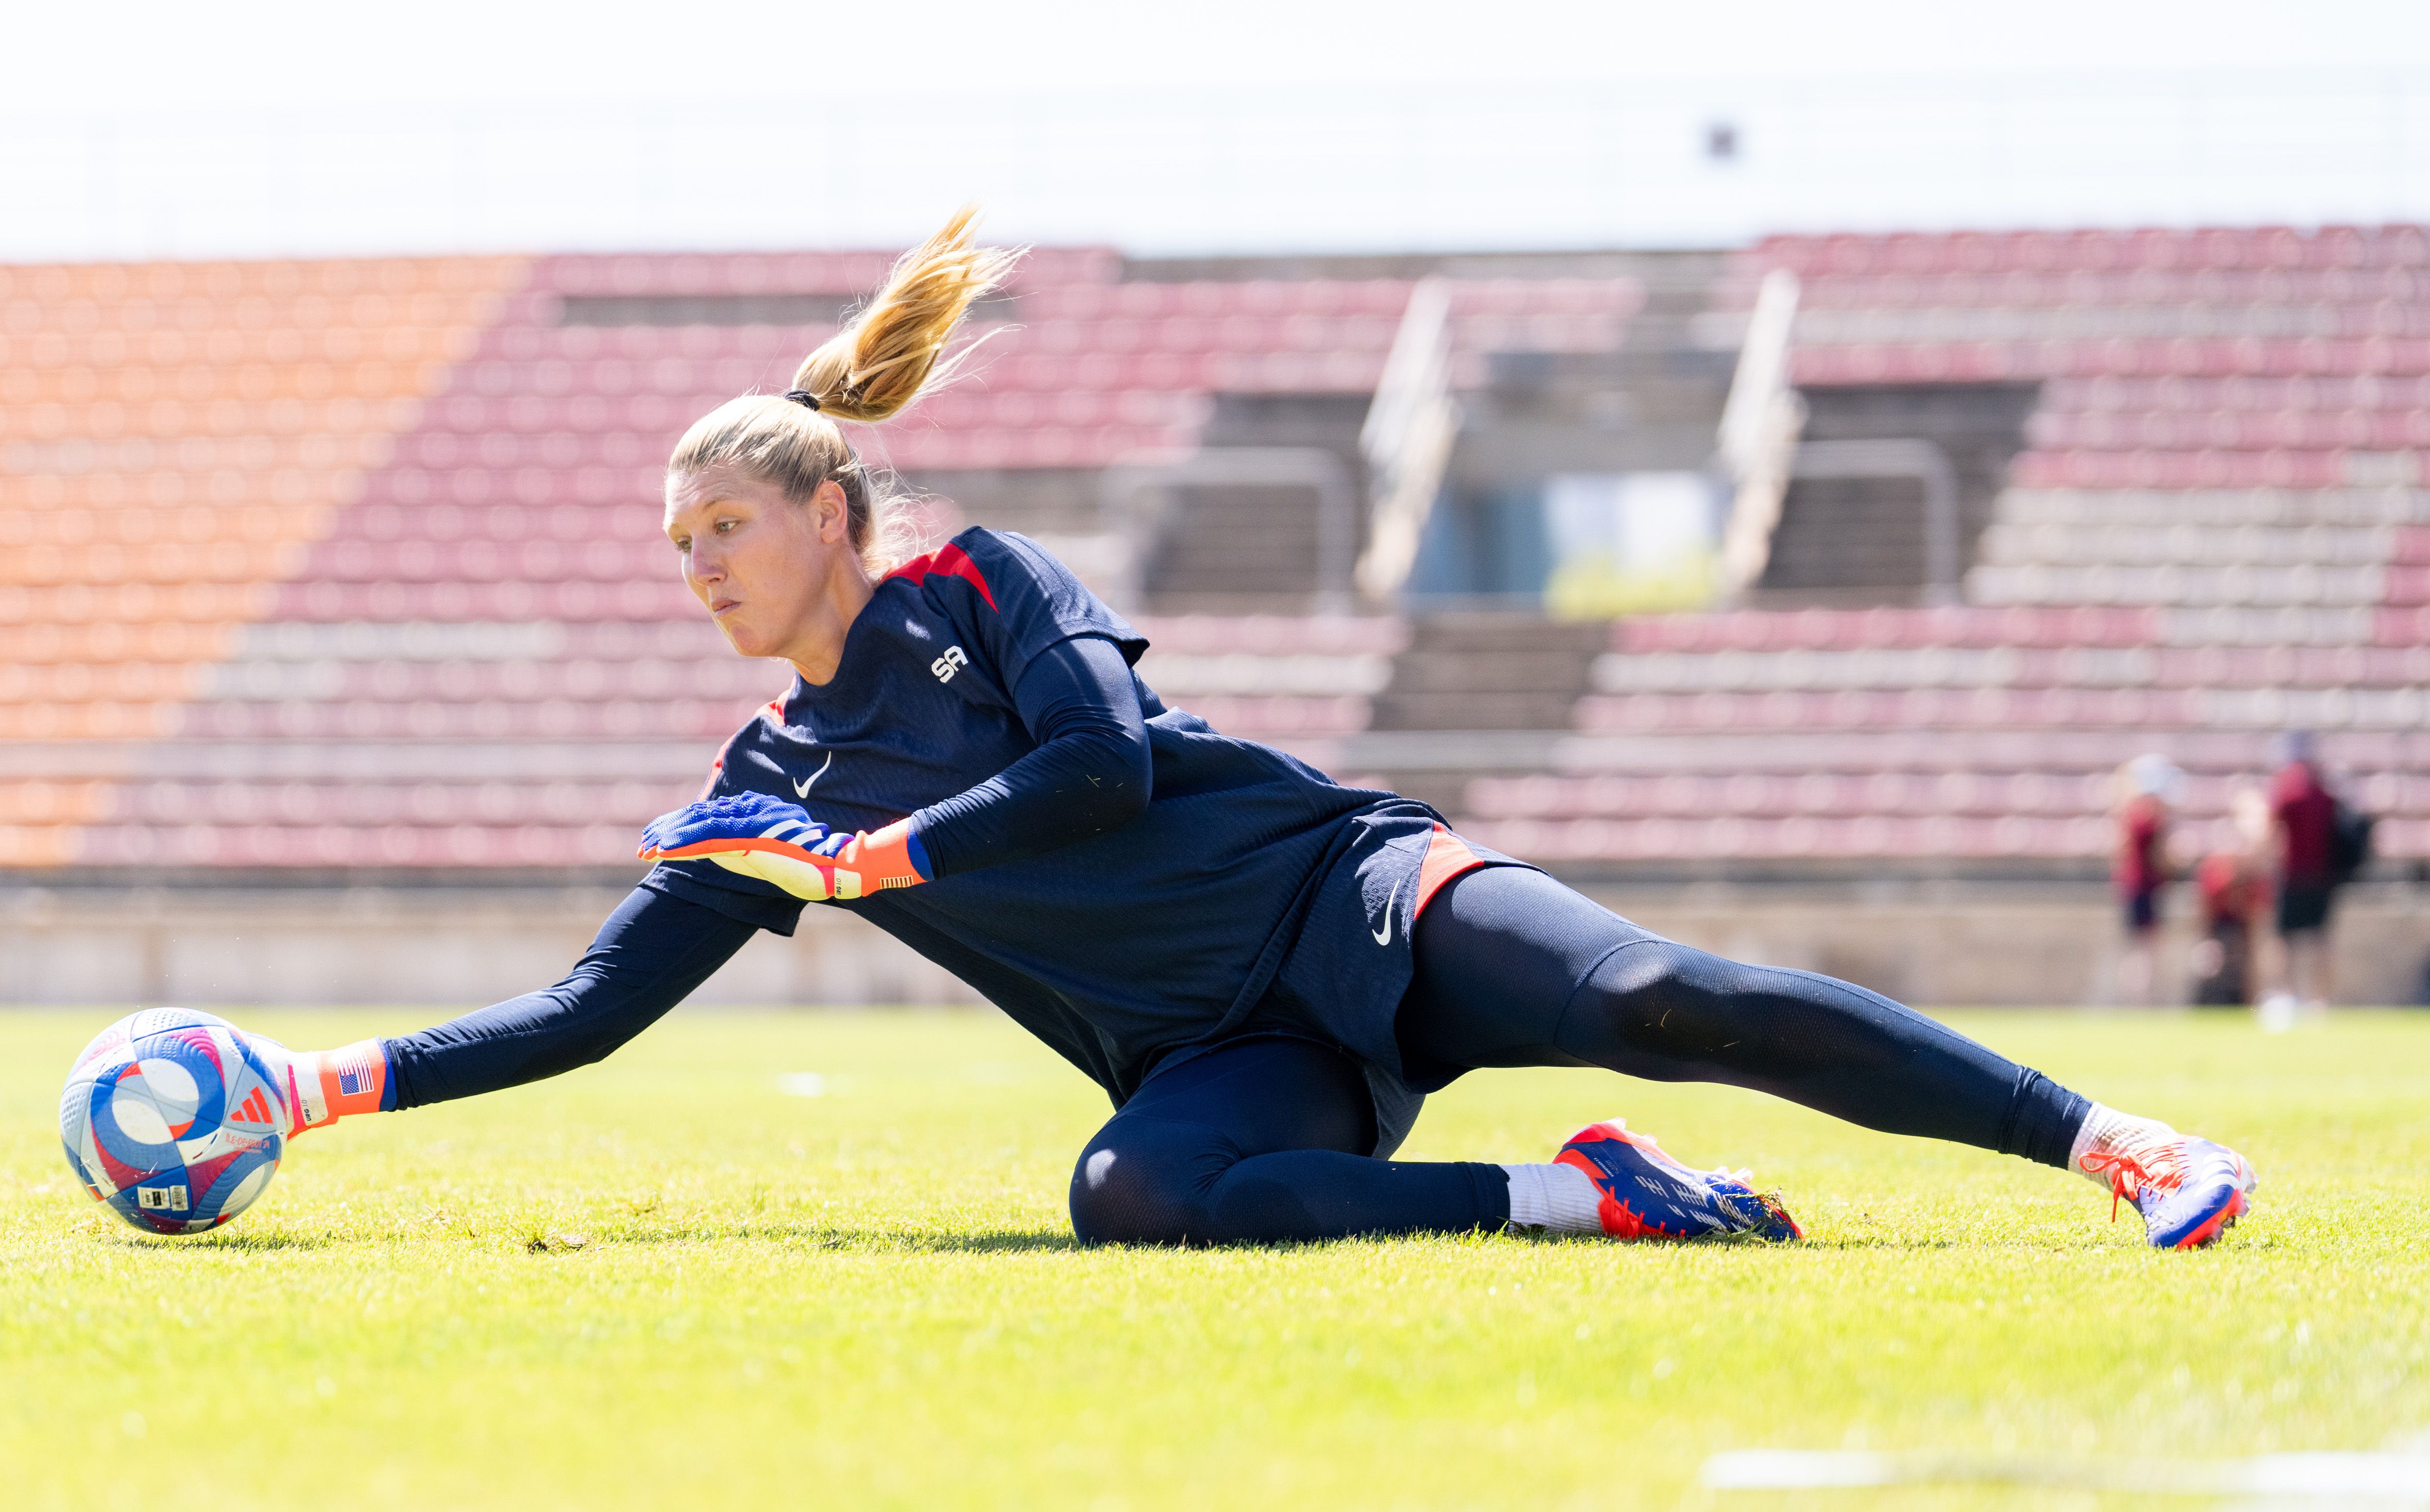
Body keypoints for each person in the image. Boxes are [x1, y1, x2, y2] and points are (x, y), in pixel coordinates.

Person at [247, 212, 2257, 1253]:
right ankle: (1593, 1201)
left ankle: (2107, 1141)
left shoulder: (982, 589)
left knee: (1656, 990)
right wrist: (308, 1084)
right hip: (1233, 1050)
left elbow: (1103, 772)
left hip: (1347, 894)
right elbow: (587, 1013)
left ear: (833, 518)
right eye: (673, 543)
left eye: (725, 528)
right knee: (1135, 1207)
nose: (695, 567)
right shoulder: (761, 794)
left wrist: (887, 864)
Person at [2264, 731, 2338, 1028]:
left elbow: (2272, 829)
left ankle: (2287, 997)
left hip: (2294, 874)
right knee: (2319, 941)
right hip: (2321, 876)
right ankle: (2320, 1002)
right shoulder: (2324, 789)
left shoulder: (2288, 788)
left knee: (2284, 942)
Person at [2189, 788, 2272, 1009]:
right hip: (2222, 923)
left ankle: (2247, 1002)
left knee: (2248, 964)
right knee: (2216, 964)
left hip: (2243, 923)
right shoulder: (2221, 860)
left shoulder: (2254, 862)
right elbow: (2210, 898)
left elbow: (2256, 907)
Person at [2111, 754, 2181, 1005]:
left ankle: (2136, 999)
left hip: (2133, 887)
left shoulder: (2131, 813)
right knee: (2147, 949)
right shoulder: (2151, 818)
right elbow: (2161, 857)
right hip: (2147, 888)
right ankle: (2143, 1000)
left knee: (2139, 948)